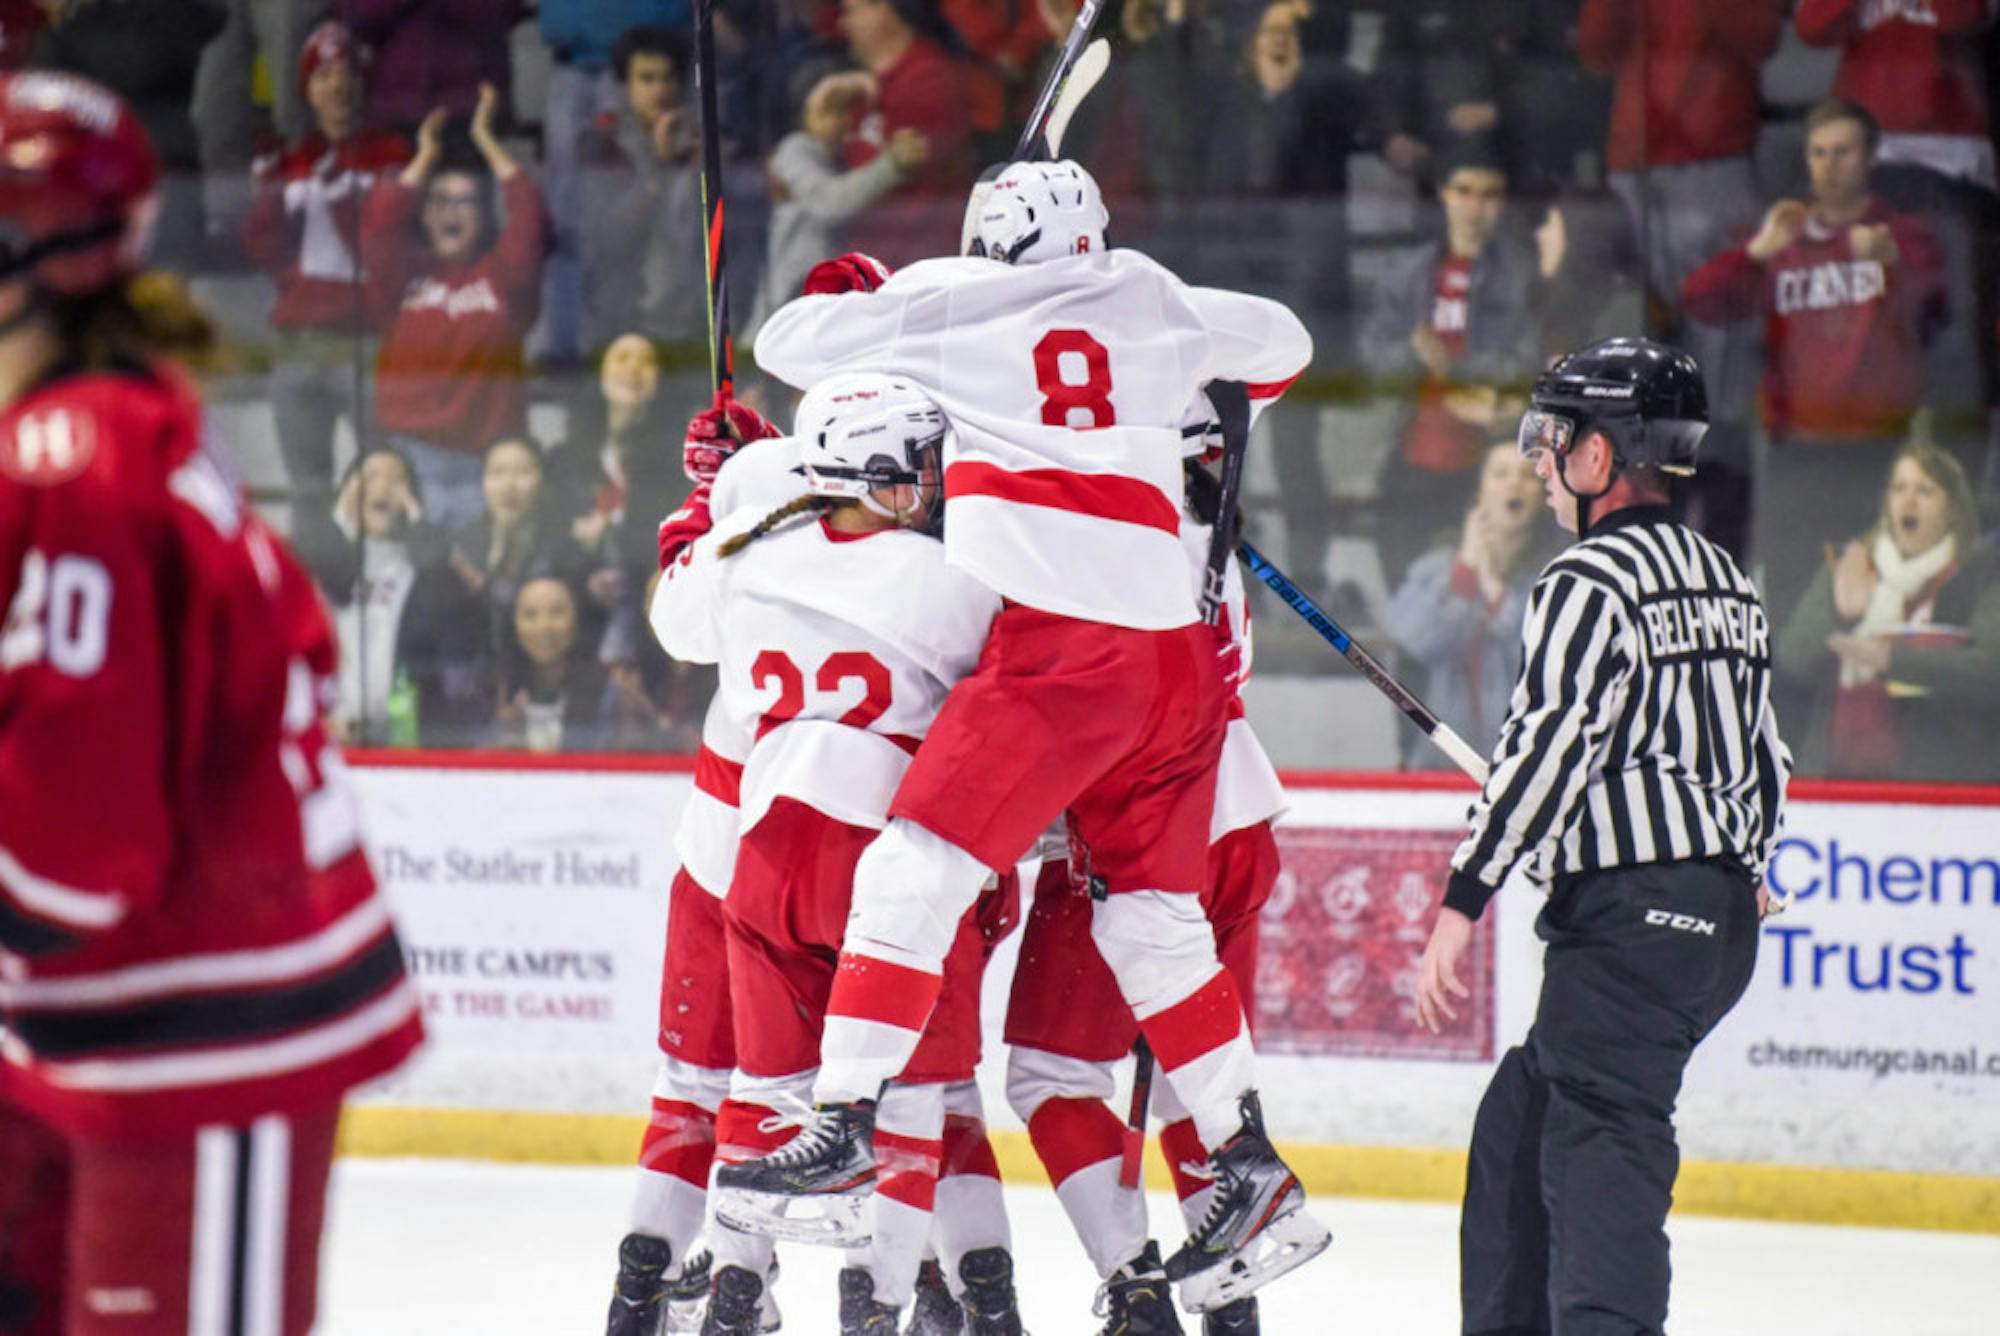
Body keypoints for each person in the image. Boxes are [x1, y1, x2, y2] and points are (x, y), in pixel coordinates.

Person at [718, 159, 1327, 1315]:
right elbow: (1283, 346)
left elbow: (791, 344)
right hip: (1176, 667)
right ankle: (1247, 1165)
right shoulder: (1151, 293)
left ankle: (840, 1122)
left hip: (1067, 651)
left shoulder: (956, 305)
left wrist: (883, 282)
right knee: (1152, 920)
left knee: (913, 866)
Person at [0, 71, 423, 1334]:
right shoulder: (104, 426)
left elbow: (82, 845)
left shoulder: (73, 463)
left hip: (199, 1016)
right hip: (105, 1005)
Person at [1413, 337, 1791, 1336]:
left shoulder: (1585, 581)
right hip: (1705, 929)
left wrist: (1462, 898)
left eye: (1551, 437)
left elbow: (1544, 750)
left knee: (1602, 1151)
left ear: (1599, 457)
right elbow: (1763, 756)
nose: (1536, 458)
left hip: (1634, 924)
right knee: (1523, 1118)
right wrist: (1742, 863)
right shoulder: (1721, 577)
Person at [649, 375, 1023, 1332]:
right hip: (888, 859)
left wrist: (713, 494)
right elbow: (1029, 686)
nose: (935, 486)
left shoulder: (745, 557)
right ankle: (884, 1305)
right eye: (919, 469)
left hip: (765, 856)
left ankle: (733, 1292)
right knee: (913, 1099)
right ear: (874, 473)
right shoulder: (953, 579)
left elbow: (671, 616)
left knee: (762, 1090)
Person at [1001, 457, 1288, 1336]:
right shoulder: (1209, 536)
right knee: (1195, 1077)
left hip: (1135, 818)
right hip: (1237, 818)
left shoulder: (1083, 535)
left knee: (1050, 1074)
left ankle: (1136, 1289)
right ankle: (1231, 1297)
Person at [1680, 98, 1946, 618]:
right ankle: (1790, 697)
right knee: (1788, 594)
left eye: (1842, 152)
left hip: (1876, 447)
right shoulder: (1785, 235)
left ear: (1871, 157)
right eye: (1819, 152)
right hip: (1795, 448)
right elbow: (1700, 302)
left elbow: (1939, 308)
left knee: (1874, 598)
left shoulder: (1902, 236)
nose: (1829, 164)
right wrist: (1756, 251)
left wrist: (1894, 264)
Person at [1577, 0, 1786, 560]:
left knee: (1720, 377)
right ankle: (1639, 549)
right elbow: (1595, 47)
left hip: (1712, 158)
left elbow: (1760, 34)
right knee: (1640, 369)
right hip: (1634, 164)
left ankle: (1718, 564)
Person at [363, 82, 548, 528]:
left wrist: (488, 143)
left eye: (466, 202)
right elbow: (378, 226)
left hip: (485, 464)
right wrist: (424, 158)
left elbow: (530, 222)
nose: (453, 212)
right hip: (406, 458)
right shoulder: (404, 274)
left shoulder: (502, 275)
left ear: (483, 216)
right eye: (441, 201)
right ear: (424, 215)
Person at [243, 20, 412, 506]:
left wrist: (333, 181)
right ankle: (317, 582)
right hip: (300, 345)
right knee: (308, 489)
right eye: (322, 76)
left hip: (367, 341)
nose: (336, 85)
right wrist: (265, 194)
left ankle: (384, 582)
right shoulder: (294, 158)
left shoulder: (391, 155)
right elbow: (265, 252)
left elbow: (383, 248)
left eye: (346, 73)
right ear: (307, 91)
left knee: (380, 480)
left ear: (362, 83)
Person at [1360, 144, 1545, 585]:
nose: (1474, 206)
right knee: (1404, 588)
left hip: (1486, 462)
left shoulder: (1518, 276)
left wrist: (1454, 368)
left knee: (1484, 590)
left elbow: (1528, 364)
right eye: (1464, 190)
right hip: (1410, 453)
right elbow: (1373, 355)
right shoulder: (1408, 271)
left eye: (1488, 194)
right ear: (1444, 194)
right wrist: (1415, 356)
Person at [1776, 443, 1999, 781]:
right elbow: (1793, 661)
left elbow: (1989, 671)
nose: (1908, 501)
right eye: (1899, 489)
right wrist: (1841, 612)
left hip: (1934, 790)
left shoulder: (1979, 575)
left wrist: (1891, 659)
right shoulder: (1852, 564)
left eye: (1925, 491)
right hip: (1831, 781)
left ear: (1952, 508)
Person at [291, 443, 489, 745]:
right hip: (332, 731)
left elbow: (447, 600)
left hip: (404, 738)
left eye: (397, 479)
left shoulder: (422, 563)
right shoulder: (324, 553)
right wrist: (342, 519)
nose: (383, 485)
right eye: (369, 476)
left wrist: (417, 520)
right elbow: (320, 572)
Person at [1382, 441, 1550, 771]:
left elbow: (1542, 663)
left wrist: (1493, 587)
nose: (1514, 484)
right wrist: (1466, 570)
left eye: (1528, 475)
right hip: (1438, 765)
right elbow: (1418, 643)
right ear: (1480, 492)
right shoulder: (1431, 571)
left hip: (1522, 768)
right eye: (1500, 474)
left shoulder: (1555, 577)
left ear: (1543, 498)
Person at [744, 68, 928, 345]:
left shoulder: (840, 156)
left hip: (823, 302)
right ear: (802, 114)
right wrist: (891, 164)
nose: (839, 122)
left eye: (845, 111)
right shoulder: (795, 149)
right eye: (827, 112)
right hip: (788, 308)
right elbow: (831, 202)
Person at [577, 24, 707, 350]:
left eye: (668, 77)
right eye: (647, 78)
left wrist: (704, 167)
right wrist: (658, 169)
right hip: (626, 321)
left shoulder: (703, 140)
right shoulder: (601, 145)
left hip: (693, 319)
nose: (659, 90)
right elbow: (609, 234)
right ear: (625, 85)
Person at [491, 572, 618, 752]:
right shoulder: (497, 690)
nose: (543, 626)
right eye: (530, 615)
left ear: (576, 620)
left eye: (557, 612)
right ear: (514, 625)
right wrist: (506, 737)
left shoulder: (607, 689)